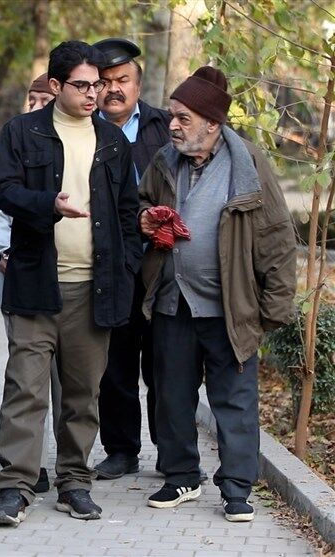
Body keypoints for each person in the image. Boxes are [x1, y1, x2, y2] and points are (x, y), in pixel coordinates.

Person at [0, 41, 140, 526]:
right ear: (55, 86)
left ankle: (74, 482)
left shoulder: (114, 140)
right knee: (25, 390)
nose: (94, 92)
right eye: (82, 84)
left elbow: (127, 212)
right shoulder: (22, 131)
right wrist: (48, 205)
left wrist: (127, 267)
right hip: (36, 283)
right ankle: (15, 486)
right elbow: (6, 191)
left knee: (82, 394)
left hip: (93, 288)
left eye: (97, 84)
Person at [138, 66, 295, 522]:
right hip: (173, 300)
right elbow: (142, 205)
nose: (173, 125)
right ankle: (182, 476)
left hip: (231, 307)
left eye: (183, 117)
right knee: (171, 394)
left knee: (235, 399)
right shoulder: (165, 160)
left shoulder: (248, 164)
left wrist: (271, 311)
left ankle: (237, 489)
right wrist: (148, 219)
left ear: (211, 122)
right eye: (172, 116)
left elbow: (277, 239)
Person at [91, 38, 172, 480]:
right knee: (115, 365)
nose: (113, 90)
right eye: (104, 83)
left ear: (138, 85)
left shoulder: (164, 126)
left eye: (122, 80)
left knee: (164, 362)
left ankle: (169, 447)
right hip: (110, 265)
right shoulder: (84, 129)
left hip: (162, 266)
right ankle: (121, 450)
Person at [0, 72, 56, 494]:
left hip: (69, 279)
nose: (36, 105)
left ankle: (64, 464)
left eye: (44, 98)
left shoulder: (75, 143)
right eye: (32, 98)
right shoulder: (15, 140)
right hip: (22, 277)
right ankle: (26, 466)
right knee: (27, 380)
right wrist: (1, 253)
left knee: (68, 387)